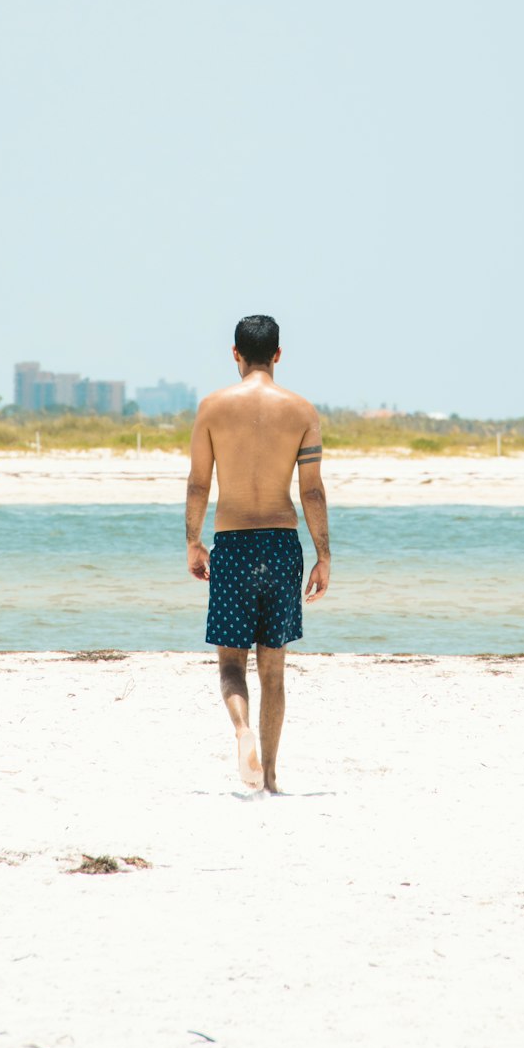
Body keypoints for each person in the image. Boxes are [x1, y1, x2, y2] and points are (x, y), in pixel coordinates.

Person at [186, 315, 330, 793]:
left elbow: (199, 483)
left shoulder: (211, 408)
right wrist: (323, 555)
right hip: (281, 544)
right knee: (274, 670)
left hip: (232, 544)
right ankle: (268, 778)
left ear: (235, 354)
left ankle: (240, 730)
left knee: (232, 665)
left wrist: (193, 541)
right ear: (278, 354)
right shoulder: (302, 411)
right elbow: (312, 492)